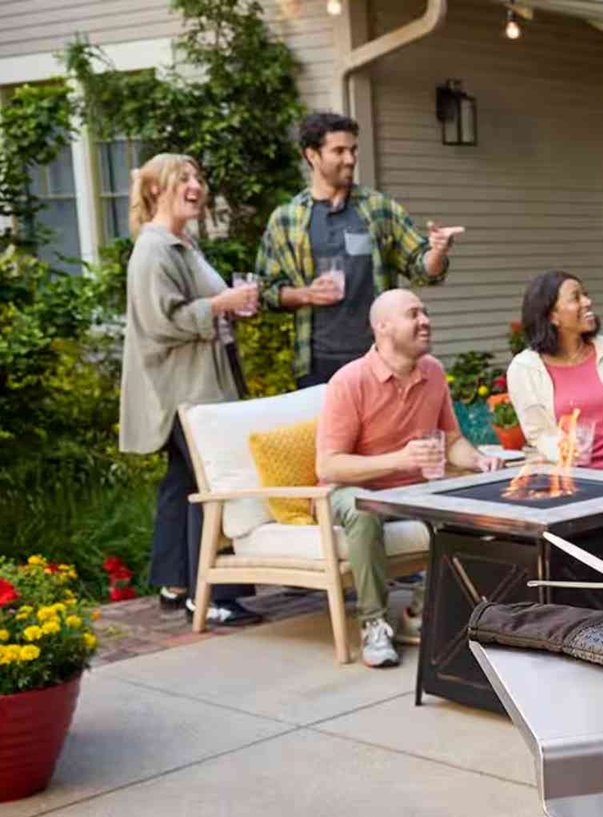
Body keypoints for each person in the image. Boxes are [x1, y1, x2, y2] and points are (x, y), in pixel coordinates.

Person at [316, 289, 503, 668]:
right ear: (382, 327)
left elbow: (451, 440)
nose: (425, 321)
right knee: (364, 511)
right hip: (350, 492)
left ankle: (420, 611)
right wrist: (399, 460)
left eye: (426, 312)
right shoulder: (349, 381)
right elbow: (328, 466)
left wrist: (478, 460)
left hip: (413, 493)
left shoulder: (432, 371)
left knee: (470, 507)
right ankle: (373, 624)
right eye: (413, 314)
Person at [119, 153, 264, 627]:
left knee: (182, 483)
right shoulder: (154, 250)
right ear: (157, 189)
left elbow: (198, 308)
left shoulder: (183, 244)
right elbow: (162, 322)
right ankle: (214, 596)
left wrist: (229, 308)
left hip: (200, 382)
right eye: (183, 177)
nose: (195, 184)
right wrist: (220, 304)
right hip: (185, 390)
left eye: (198, 176)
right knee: (214, 483)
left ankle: (175, 583)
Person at [256, 112, 465, 388]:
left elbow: (422, 267)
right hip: (317, 362)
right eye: (339, 151)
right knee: (330, 433)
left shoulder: (379, 209)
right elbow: (266, 289)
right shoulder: (286, 219)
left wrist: (437, 251)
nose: (350, 159)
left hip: (380, 356)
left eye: (353, 150)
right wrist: (305, 294)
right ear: (312, 155)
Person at [505, 271, 603, 474]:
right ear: (552, 316)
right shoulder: (525, 369)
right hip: (574, 476)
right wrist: (566, 454)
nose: (587, 301)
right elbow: (539, 434)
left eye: (585, 295)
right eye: (576, 298)